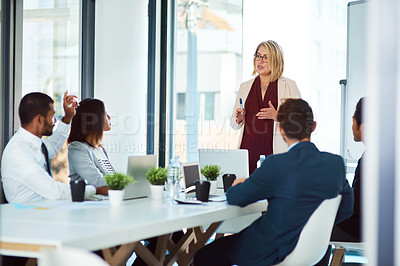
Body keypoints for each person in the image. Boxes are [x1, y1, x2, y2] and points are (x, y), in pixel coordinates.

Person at [194, 99, 353, 266]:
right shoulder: (335, 164)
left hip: (272, 250)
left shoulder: (276, 164)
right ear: (313, 126)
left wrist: (240, 184)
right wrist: (310, 230)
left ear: (281, 130)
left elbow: (235, 198)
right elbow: (345, 210)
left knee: (204, 257)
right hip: (316, 252)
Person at [1, 92, 96, 203]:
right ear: (39, 120)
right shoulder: (18, 152)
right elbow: (54, 192)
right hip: (29, 216)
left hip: (44, 211)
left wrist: (68, 118)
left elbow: (52, 146)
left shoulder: (35, 144)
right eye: (52, 116)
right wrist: (95, 189)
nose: (55, 121)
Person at [231, 40, 301, 174]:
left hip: (275, 153)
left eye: (265, 57)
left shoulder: (289, 86)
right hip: (248, 153)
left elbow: (300, 123)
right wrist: (238, 119)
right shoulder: (245, 87)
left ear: (276, 60)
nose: (260, 61)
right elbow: (234, 124)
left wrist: (278, 116)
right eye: (258, 56)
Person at [315, 98, 365, 266]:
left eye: (353, 121)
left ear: (363, 127)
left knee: (314, 229)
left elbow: (356, 206)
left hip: (363, 228)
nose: (352, 127)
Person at [67, 98, 112, 195]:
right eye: (105, 114)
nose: (109, 117)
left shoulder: (99, 149)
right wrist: (123, 185)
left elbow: (111, 178)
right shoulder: (77, 149)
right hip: (88, 206)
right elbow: (98, 182)